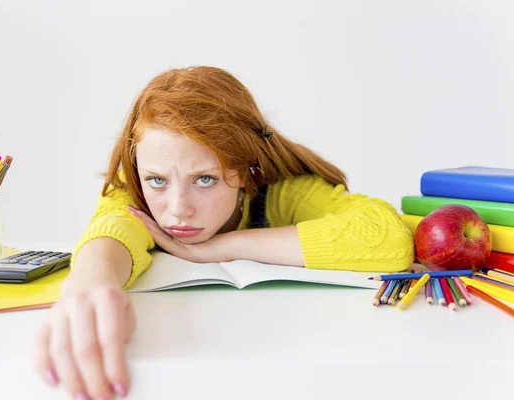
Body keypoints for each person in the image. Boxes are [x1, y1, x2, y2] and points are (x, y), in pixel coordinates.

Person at [33, 66, 414, 399]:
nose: (178, 207)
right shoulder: (133, 188)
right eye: (157, 180)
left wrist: (221, 247)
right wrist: (89, 280)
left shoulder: (281, 192)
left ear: (247, 170)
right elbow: (112, 229)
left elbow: (386, 239)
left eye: (204, 179)